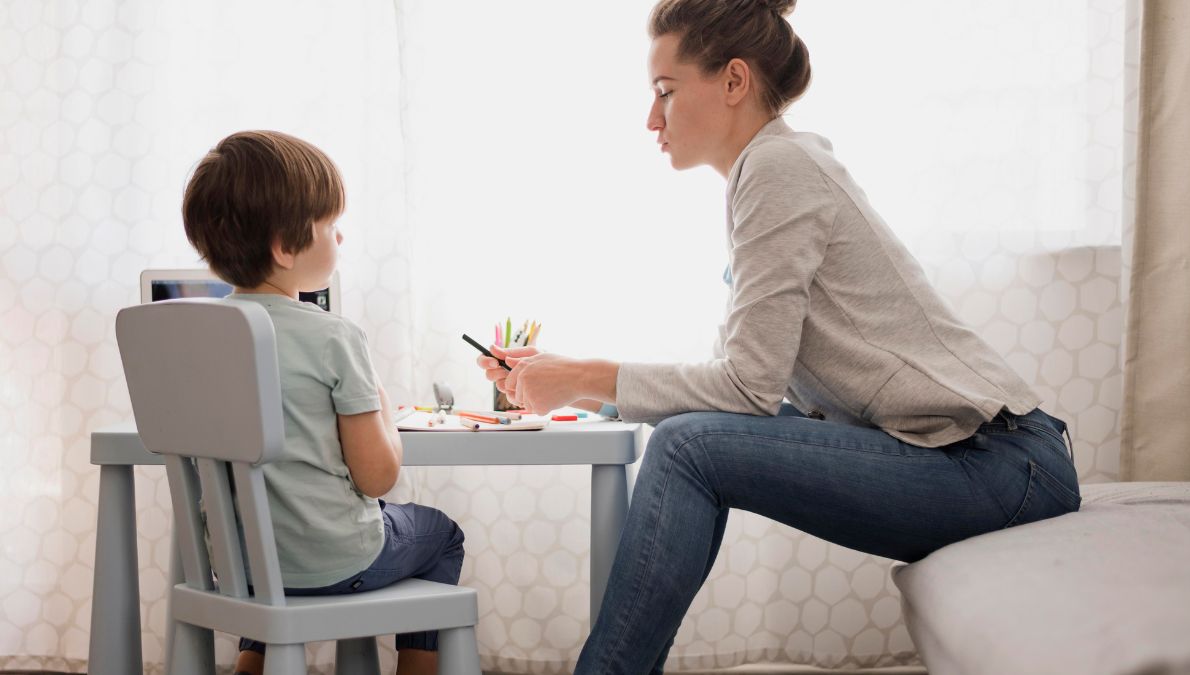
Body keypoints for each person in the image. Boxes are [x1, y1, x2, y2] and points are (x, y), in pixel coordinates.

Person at [475, 1, 1082, 672]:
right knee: (691, 436)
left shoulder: (778, 168)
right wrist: (571, 384)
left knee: (685, 446)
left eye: (665, 92)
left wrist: (583, 375)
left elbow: (746, 389)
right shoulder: (768, 170)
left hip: (998, 462)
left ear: (733, 82)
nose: (652, 118)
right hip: (990, 459)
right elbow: (734, 379)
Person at [182, 130, 463, 675]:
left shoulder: (201, 339)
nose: (341, 238)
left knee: (269, 540)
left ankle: (252, 662)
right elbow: (377, 476)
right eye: (333, 227)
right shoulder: (333, 337)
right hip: (335, 563)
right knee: (441, 534)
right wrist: (382, 409)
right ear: (285, 248)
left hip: (238, 568)